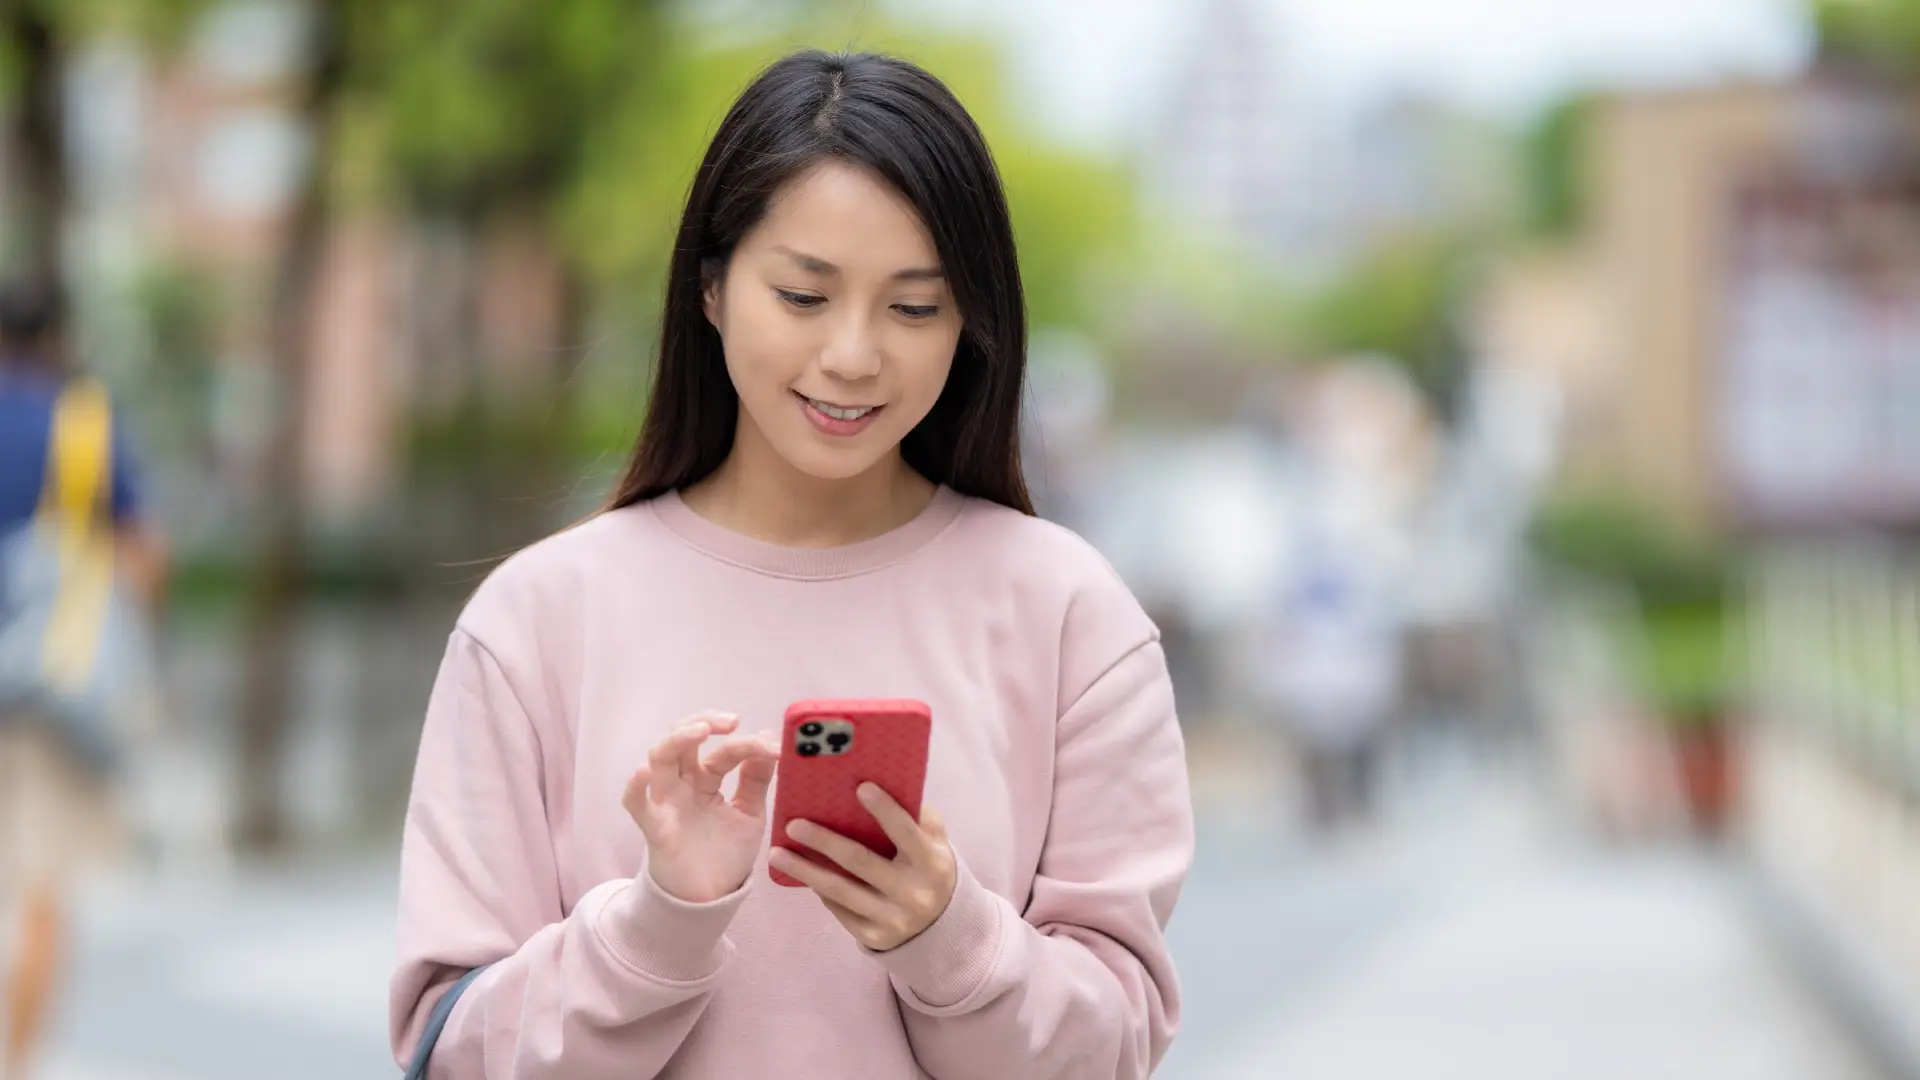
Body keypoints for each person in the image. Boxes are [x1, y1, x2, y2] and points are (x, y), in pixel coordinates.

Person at [388, 50, 1194, 1080]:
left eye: (914, 307)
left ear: (971, 325)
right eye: (804, 296)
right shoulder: (538, 619)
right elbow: (451, 1052)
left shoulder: (1072, 616)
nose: (854, 355)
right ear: (714, 289)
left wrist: (947, 935)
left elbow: (1114, 1048)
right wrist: (658, 923)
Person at [0, 278, 168, 1080]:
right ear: (59, 340)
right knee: (38, 891)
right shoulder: (83, 424)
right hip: (49, 700)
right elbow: (145, 559)